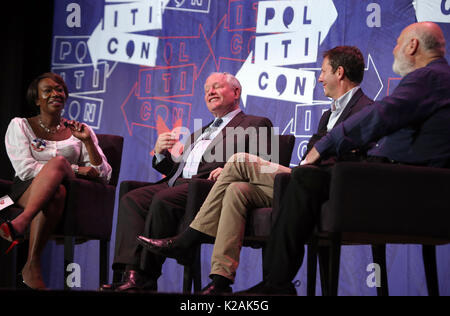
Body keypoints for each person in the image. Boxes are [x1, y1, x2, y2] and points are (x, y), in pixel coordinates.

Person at [234, 21, 450, 294]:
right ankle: (277, 282)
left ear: (413, 45)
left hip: (405, 185)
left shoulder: (429, 77)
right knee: (302, 178)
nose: (394, 49)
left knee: (305, 176)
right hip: (409, 181)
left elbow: (383, 114)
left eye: (396, 43)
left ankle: (277, 283)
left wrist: (327, 144)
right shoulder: (436, 80)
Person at [136, 46, 373, 294]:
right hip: (301, 179)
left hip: (326, 185)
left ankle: (189, 238)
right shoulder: (328, 114)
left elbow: (353, 158)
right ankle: (221, 280)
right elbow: (310, 156)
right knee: (237, 189)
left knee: (237, 161)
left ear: (340, 72)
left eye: (323, 71)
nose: (319, 77)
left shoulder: (366, 110)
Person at [101, 72, 274, 292]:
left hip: (208, 188)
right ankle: (131, 273)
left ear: (236, 92)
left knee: (163, 200)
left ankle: (146, 276)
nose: (209, 92)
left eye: (217, 87)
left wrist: (231, 170)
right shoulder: (199, 132)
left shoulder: (255, 123)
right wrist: (162, 154)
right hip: (179, 183)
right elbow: (178, 170)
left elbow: (264, 163)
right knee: (131, 199)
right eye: (206, 90)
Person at [0, 72, 112, 289]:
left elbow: (104, 174)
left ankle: (22, 227)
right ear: (37, 99)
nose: (55, 93)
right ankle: (30, 264)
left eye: (59, 89)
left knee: (58, 188)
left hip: (69, 196)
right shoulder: (20, 125)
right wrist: (74, 168)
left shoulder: (79, 131)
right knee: (58, 173)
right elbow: (24, 170)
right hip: (22, 191)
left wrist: (88, 142)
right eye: (48, 90)